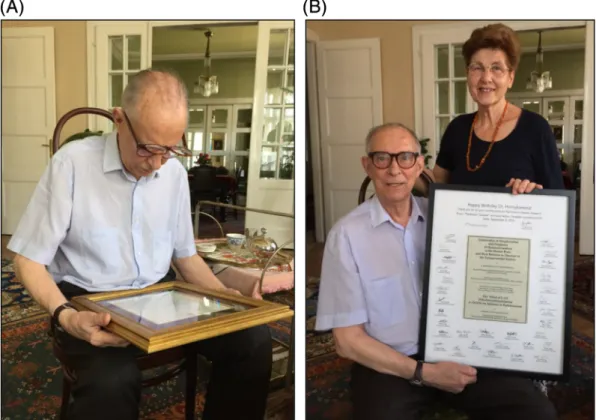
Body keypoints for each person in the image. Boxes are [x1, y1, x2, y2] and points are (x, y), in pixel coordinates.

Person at [7, 69, 272, 420]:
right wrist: (66, 317)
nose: (158, 163)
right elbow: (27, 260)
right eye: (148, 148)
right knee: (112, 380)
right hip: (88, 299)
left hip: (161, 296)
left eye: (170, 149)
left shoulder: (173, 173)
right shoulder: (71, 164)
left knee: (252, 340)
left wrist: (225, 298)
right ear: (119, 119)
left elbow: (185, 255)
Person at [315, 122, 558, 420]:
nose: (394, 170)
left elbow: (508, 253)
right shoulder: (346, 236)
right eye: (382, 158)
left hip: (462, 351)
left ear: (419, 165)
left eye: (405, 158)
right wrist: (424, 372)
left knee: (536, 412)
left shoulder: (452, 216)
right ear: (367, 165)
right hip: (392, 365)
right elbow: (348, 341)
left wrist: (524, 205)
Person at [432, 23, 564, 193]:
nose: (486, 78)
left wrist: (534, 195)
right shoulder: (457, 128)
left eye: (496, 68)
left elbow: (557, 201)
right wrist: (406, 169)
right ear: (468, 74)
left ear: (510, 78)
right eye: (477, 68)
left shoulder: (536, 129)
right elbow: (437, 185)